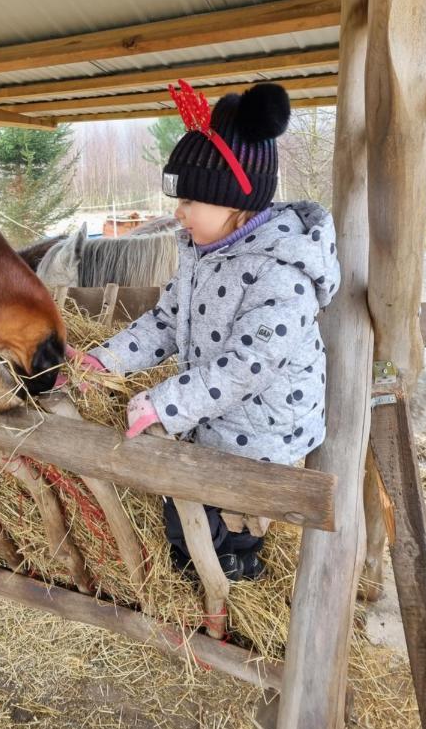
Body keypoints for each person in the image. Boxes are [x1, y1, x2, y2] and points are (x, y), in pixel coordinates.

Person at [67, 81, 340, 581]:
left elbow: (244, 369)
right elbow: (165, 323)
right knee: (183, 501)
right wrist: (105, 360)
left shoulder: (283, 273)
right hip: (215, 419)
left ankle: (233, 561)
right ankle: (223, 549)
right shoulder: (203, 255)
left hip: (263, 433)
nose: (178, 211)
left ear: (235, 200)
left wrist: (165, 404)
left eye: (192, 199)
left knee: (191, 511)